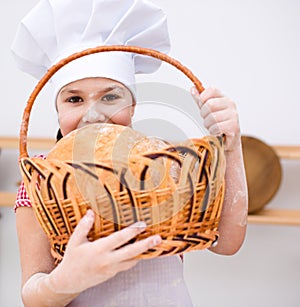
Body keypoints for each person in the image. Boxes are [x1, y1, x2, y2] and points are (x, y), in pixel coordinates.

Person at [11, 0, 248, 306]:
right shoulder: (42, 182)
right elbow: (32, 294)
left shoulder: (163, 162)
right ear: (57, 109)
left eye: (110, 96)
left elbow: (226, 242)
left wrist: (232, 144)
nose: (93, 114)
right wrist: (64, 281)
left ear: (133, 105)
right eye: (74, 99)